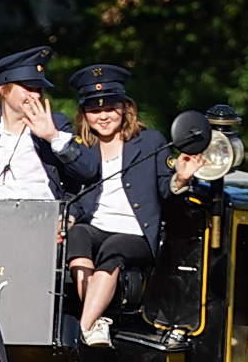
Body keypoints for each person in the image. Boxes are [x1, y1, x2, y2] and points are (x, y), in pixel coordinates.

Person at [55, 63, 205, 346]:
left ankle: (83, 329)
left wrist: (181, 179)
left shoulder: (149, 142)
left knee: (113, 248)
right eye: (95, 110)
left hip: (135, 233)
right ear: (85, 114)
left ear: (124, 108)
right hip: (96, 228)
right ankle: (95, 320)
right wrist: (68, 219)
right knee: (78, 235)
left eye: (110, 108)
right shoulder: (82, 150)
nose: (103, 116)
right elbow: (75, 198)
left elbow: (165, 189)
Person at [0, 46, 73, 200]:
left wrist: (54, 137)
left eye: (39, 90)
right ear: (3, 90)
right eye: (28, 88)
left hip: (43, 216)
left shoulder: (56, 124)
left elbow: (88, 171)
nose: (35, 96)